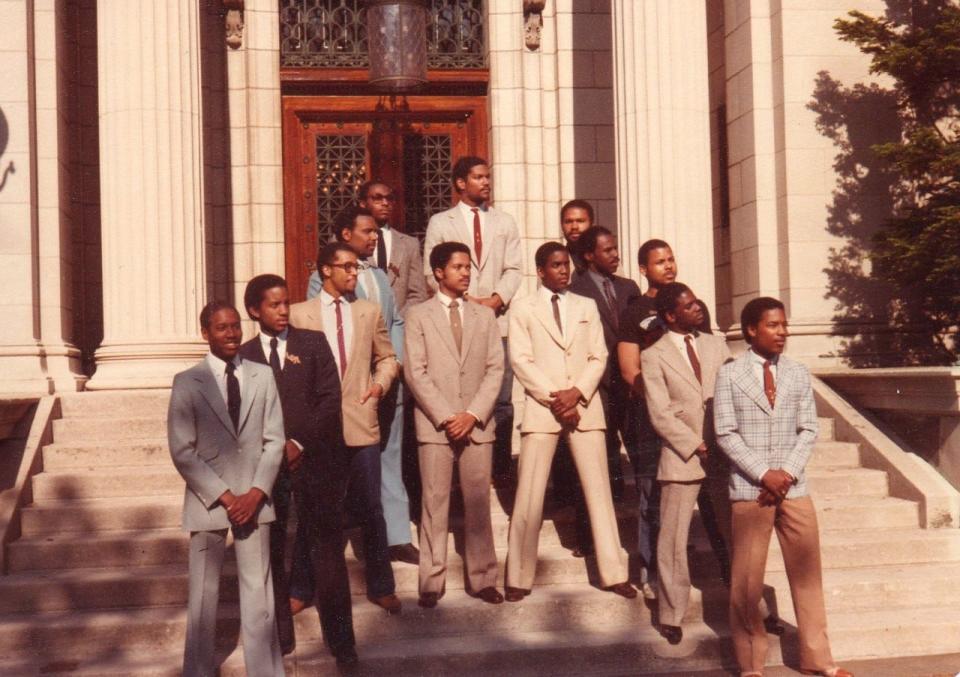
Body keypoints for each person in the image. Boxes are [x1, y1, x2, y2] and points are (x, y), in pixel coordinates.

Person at [715, 297, 852, 677]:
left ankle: (819, 659)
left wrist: (786, 474)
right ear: (750, 331)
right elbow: (725, 433)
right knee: (746, 581)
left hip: (794, 488)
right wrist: (764, 474)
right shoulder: (729, 375)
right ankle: (751, 665)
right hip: (751, 489)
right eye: (773, 326)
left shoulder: (796, 372)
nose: (782, 333)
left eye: (784, 325)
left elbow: (809, 428)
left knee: (808, 574)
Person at [505, 242, 635, 601]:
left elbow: (599, 356)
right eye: (556, 265)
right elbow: (521, 360)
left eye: (566, 265)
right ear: (540, 270)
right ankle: (518, 576)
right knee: (530, 494)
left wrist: (576, 393)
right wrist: (557, 398)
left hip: (584, 407)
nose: (564, 271)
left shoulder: (586, 306)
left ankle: (613, 573)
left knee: (599, 492)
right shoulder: (523, 308)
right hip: (543, 408)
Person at [239, 275, 356, 666]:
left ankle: (343, 645)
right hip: (267, 470)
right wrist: (273, 452)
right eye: (274, 305)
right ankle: (281, 641)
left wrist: (298, 443)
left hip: (314, 461)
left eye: (286, 302)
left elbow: (329, 400)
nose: (284, 310)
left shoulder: (313, 343)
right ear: (254, 310)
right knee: (270, 553)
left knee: (327, 553)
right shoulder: (244, 355)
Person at [168, 301, 285, 677]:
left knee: (259, 593)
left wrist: (256, 492)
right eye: (222, 328)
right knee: (203, 595)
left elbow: (275, 441)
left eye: (236, 326)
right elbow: (182, 450)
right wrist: (225, 495)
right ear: (206, 332)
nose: (232, 334)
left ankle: (265, 671)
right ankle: (199, 671)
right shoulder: (187, 382)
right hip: (209, 501)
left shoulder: (262, 376)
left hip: (254, 499)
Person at [289, 242, 402, 615]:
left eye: (357, 268)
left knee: (371, 507)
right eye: (348, 267)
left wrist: (378, 386)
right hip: (317, 431)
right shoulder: (299, 315)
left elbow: (387, 357)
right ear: (326, 270)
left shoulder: (368, 312)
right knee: (313, 512)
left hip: (360, 421)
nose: (355, 273)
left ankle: (382, 585)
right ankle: (302, 589)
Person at [404, 241, 504, 608]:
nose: (465, 273)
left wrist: (472, 414)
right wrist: (448, 416)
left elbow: (496, 369)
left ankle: (483, 578)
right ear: (438, 273)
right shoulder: (419, 316)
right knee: (435, 501)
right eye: (458, 267)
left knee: (478, 502)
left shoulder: (485, 316)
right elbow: (416, 372)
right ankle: (432, 580)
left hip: (477, 424)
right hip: (436, 426)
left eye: (468, 267)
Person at [640, 283, 731, 645]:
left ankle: (751, 606)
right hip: (682, 455)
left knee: (734, 533)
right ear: (670, 315)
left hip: (723, 454)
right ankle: (670, 613)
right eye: (689, 305)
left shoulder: (715, 344)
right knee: (673, 539)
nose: (698, 309)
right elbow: (659, 414)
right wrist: (695, 444)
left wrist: (723, 441)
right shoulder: (654, 355)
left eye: (696, 303)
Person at [423, 156, 522, 483]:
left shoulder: (505, 222)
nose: (486, 182)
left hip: (497, 321)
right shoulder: (441, 222)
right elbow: (430, 271)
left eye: (488, 177)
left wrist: (495, 300)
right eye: (479, 177)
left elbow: (513, 269)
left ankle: (500, 472)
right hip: (457, 321)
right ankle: (461, 468)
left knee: (502, 397)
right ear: (461, 183)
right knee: (461, 392)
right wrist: (465, 302)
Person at [331, 206, 419, 565]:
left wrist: (393, 363)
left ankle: (397, 535)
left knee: (390, 454)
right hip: (350, 385)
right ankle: (355, 531)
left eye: (375, 231)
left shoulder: (380, 276)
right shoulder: (325, 276)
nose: (373, 237)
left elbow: (396, 320)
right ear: (345, 235)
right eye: (366, 231)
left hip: (387, 379)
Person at [568, 226, 640, 500]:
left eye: (615, 248)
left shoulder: (629, 288)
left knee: (638, 453)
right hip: (597, 387)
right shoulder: (575, 291)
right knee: (600, 459)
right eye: (607, 250)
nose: (615, 255)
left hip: (629, 385)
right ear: (589, 255)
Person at [559, 199, 594, 275]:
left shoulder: (605, 259)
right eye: (568, 221)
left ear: (591, 224)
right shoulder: (552, 262)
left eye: (580, 221)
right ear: (562, 226)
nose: (574, 227)